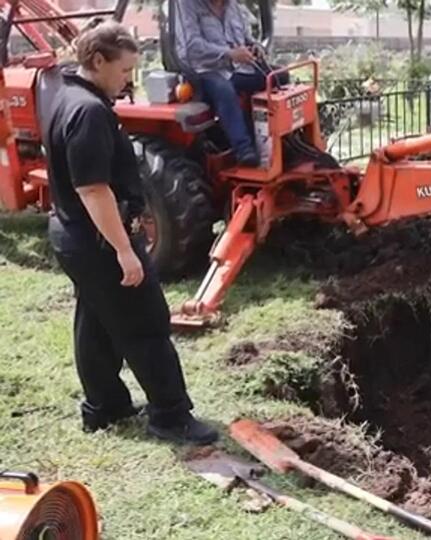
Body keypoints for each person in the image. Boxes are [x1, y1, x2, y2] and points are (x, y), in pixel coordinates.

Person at [44, 22, 218, 445]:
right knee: (145, 323)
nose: (130, 80)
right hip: (100, 238)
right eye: (124, 71)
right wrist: (125, 251)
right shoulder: (87, 112)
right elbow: (92, 189)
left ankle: (104, 406)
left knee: (97, 320)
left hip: (74, 235)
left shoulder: (66, 97)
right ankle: (171, 416)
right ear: (97, 61)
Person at [175, 0, 287, 166]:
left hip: (236, 69)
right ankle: (244, 150)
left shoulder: (232, 6)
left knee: (279, 77)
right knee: (224, 89)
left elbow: (245, 38)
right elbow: (192, 47)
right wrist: (229, 54)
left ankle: (283, 139)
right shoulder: (185, 5)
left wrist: (255, 47)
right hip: (202, 72)